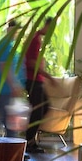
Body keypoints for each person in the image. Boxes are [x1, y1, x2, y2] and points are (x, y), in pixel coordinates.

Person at [0, 20, 27, 136]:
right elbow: (4, 67)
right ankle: (12, 146)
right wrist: (14, 86)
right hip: (3, 90)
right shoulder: (5, 46)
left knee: (2, 119)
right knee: (10, 123)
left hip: (2, 89)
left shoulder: (7, 45)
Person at [24, 18, 53, 153]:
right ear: (47, 25)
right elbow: (31, 63)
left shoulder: (37, 38)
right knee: (38, 110)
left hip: (36, 80)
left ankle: (31, 140)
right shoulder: (35, 39)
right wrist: (48, 76)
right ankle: (29, 142)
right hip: (33, 80)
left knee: (43, 107)